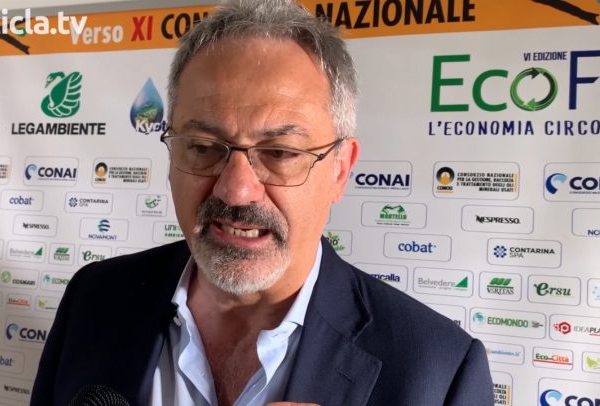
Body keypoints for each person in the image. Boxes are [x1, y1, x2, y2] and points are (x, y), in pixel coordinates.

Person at [31, 0, 493, 405]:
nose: (236, 190)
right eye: (202, 147)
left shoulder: (437, 369)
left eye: (280, 153)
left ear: (339, 169)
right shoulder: (94, 298)